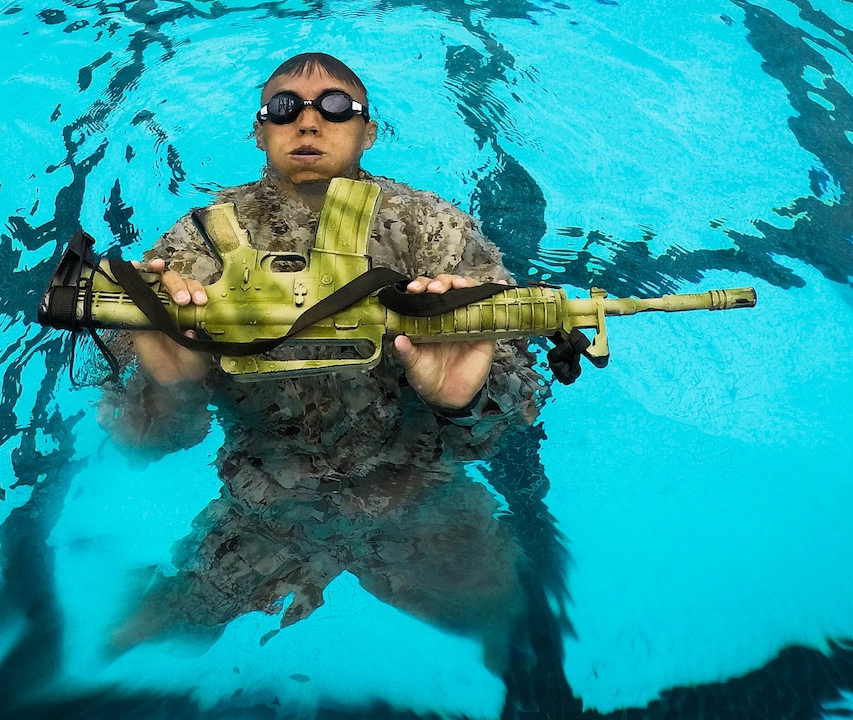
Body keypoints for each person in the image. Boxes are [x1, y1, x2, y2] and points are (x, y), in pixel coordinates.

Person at [102, 53, 546, 664]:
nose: (308, 122)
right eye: (285, 108)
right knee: (135, 640)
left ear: (369, 131)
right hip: (265, 510)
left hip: (419, 498)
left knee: (509, 635)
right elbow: (143, 442)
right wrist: (169, 385)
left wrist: (466, 400)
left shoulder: (433, 233)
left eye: (336, 107)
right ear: (260, 131)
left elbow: (520, 408)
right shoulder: (196, 245)